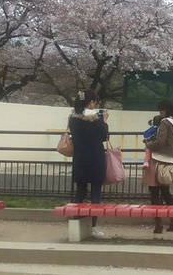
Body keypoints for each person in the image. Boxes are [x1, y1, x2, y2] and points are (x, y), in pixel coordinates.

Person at [68, 89, 109, 236]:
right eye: (94, 101)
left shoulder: (72, 118)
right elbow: (104, 137)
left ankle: (76, 225)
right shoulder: (95, 119)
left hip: (79, 158)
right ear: (90, 102)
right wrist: (104, 121)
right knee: (95, 194)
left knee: (80, 191)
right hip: (95, 158)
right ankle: (92, 228)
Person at [142, 99, 173, 234]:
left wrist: (148, 143)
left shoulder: (165, 123)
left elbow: (160, 142)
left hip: (157, 160)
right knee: (166, 192)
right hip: (170, 161)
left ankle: (158, 225)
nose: (160, 113)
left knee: (154, 193)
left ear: (165, 110)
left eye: (161, 110)